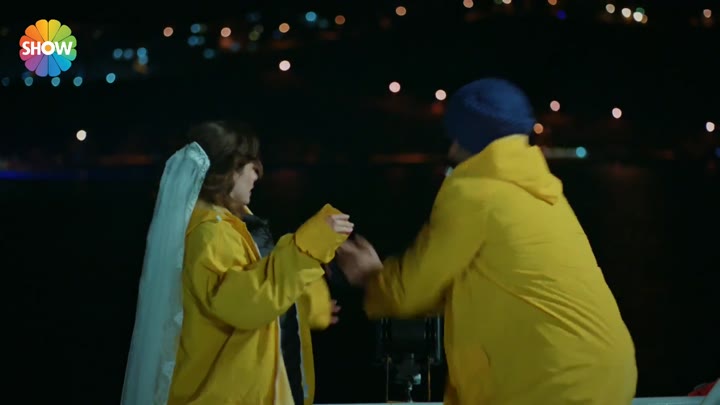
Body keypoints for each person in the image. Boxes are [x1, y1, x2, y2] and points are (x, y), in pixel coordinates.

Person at [337, 78, 638, 404]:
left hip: (553, 383)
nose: (450, 149)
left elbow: (411, 291)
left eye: (452, 136)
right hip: (606, 375)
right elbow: (475, 284)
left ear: (463, 138)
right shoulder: (542, 193)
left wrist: (369, 276)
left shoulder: (473, 194)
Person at [121, 121, 352, 405]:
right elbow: (248, 303)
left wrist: (311, 305)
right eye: (249, 164)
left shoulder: (230, 227)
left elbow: (259, 290)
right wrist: (310, 246)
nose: (258, 173)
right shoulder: (210, 234)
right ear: (226, 172)